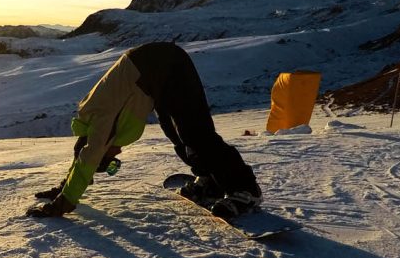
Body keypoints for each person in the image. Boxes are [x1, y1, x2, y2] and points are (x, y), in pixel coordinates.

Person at [26, 42, 261, 219]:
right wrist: (64, 186)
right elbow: (85, 156)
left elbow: (89, 155)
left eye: (109, 159)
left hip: (169, 66)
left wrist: (63, 202)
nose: (116, 155)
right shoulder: (94, 124)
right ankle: (209, 178)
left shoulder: (101, 124)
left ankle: (245, 189)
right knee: (176, 133)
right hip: (155, 75)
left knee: (195, 133)